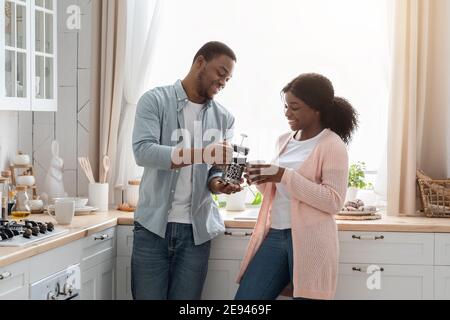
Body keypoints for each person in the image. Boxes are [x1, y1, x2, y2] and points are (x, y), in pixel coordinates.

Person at [132, 41, 242, 300]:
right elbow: (143, 151)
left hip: (197, 233)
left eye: (228, 78)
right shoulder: (154, 100)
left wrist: (220, 184)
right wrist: (205, 154)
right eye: (221, 72)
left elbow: (215, 171)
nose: (224, 81)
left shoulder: (225, 118)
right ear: (200, 62)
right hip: (152, 228)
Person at [235, 73, 358, 300]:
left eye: (295, 107)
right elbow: (281, 192)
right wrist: (262, 179)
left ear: (316, 109)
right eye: (285, 106)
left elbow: (333, 201)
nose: (287, 113)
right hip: (276, 234)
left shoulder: (332, 145)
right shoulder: (284, 140)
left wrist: (282, 174)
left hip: (312, 240)